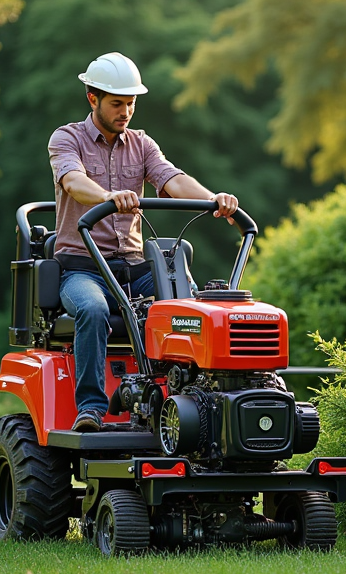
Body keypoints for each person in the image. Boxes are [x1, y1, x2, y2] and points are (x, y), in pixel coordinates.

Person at [48, 51, 239, 432]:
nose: (126, 111)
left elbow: (172, 180)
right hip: (84, 269)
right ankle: (90, 408)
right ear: (93, 98)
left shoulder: (142, 144)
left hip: (135, 269)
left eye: (131, 103)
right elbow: (73, 181)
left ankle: (188, 401)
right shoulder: (66, 137)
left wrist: (214, 199)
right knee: (92, 309)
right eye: (117, 103)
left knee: (190, 307)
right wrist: (107, 196)